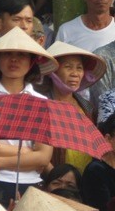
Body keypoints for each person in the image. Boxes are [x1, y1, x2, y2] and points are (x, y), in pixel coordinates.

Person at [0, 29, 59, 202]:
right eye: (7, 54)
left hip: (32, 183)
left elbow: (43, 157)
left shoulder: (41, 101)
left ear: (32, 61)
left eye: (21, 55)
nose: (14, 60)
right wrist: (25, 152)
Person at [43, 41, 107, 170]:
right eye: (68, 67)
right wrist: (56, 176)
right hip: (56, 179)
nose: (75, 73)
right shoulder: (43, 105)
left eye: (79, 68)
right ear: (53, 71)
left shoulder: (86, 107)